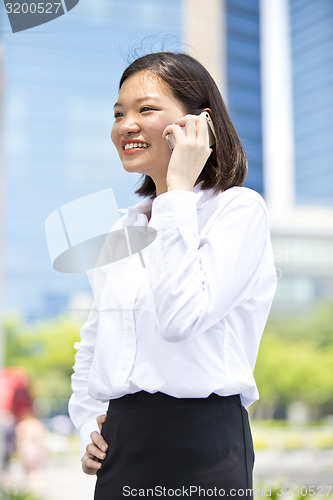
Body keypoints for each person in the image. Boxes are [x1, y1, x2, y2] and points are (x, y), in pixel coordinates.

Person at [68, 52, 277, 499]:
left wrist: (177, 193)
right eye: (119, 113)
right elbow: (95, 340)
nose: (126, 125)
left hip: (204, 446)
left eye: (145, 109)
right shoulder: (122, 228)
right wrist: (87, 422)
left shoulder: (237, 211)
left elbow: (182, 318)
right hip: (122, 444)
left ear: (199, 124)